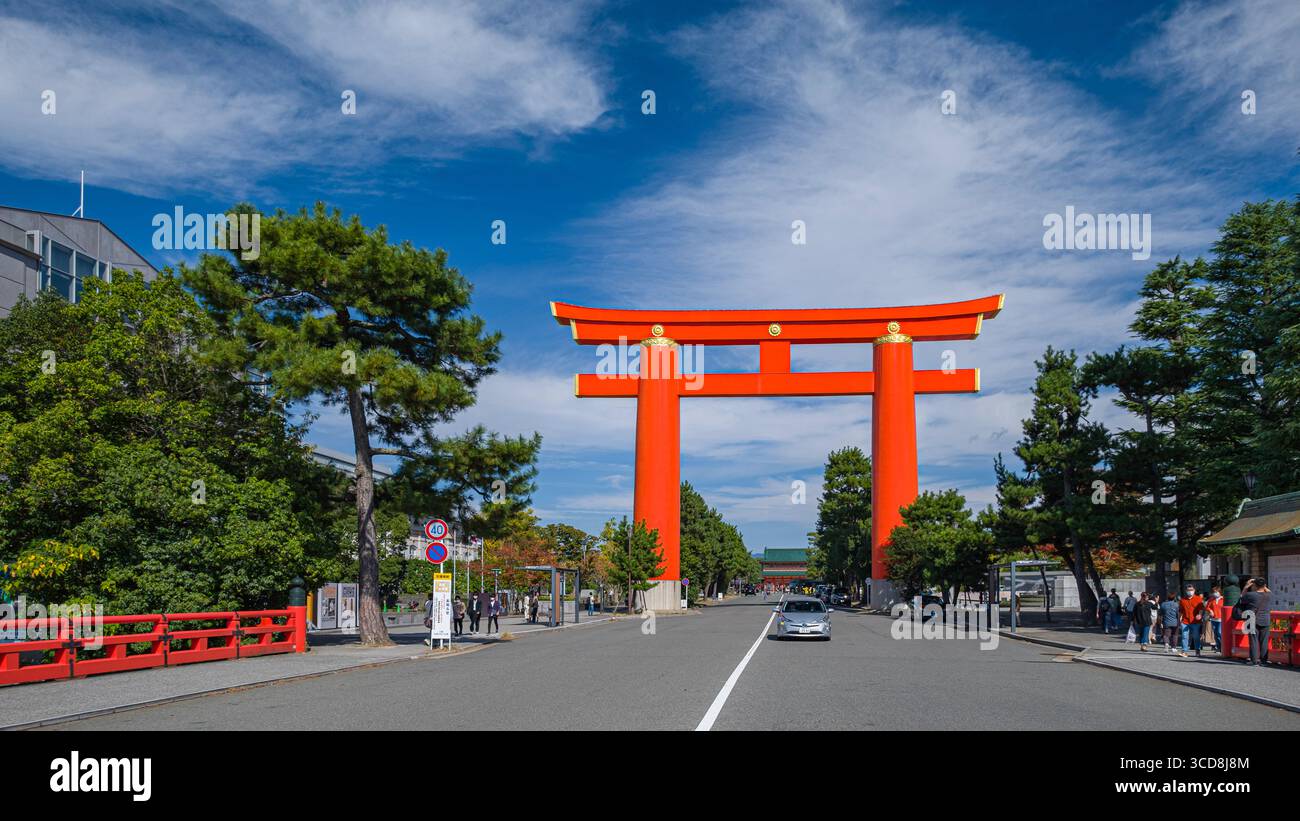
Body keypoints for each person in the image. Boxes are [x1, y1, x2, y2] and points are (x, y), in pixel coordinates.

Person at [1236, 578, 1272, 666]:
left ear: (1254, 586)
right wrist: (1264, 586)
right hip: (1265, 620)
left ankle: (1254, 661)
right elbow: (1268, 590)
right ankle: (1264, 661)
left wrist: (1246, 586)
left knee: (1253, 641)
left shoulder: (1250, 595)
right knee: (1264, 641)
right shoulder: (1268, 595)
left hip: (1252, 619)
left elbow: (1241, 599)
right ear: (1264, 586)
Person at [1178, 584, 1204, 657]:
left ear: (1194, 590)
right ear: (1186, 591)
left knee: (1196, 637)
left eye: (1191, 590)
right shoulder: (1182, 600)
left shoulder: (1198, 599)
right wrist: (1179, 619)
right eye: (1188, 590)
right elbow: (1180, 611)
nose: (1190, 592)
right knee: (1184, 636)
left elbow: (1201, 609)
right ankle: (1184, 651)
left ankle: (1197, 650)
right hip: (1185, 621)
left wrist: (1200, 614)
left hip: (1195, 622)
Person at [1204, 587, 1223, 651]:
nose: (1215, 593)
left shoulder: (1223, 599)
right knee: (1216, 634)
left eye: (1216, 592)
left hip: (1221, 619)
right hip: (1213, 619)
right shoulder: (1211, 599)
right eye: (1214, 592)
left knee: (1219, 632)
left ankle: (1223, 646)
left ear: (1220, 592)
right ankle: (1219, 647)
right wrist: (1210, 611)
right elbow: (1207, 607)